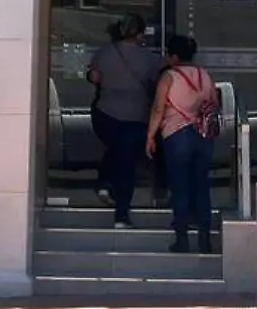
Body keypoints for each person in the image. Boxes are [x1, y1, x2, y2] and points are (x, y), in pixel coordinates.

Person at [84, 13, 159, 228]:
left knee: (116, 149)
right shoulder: (149, 59)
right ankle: (121, 216)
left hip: (104, 113)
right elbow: (159, 83)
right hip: (135, 117)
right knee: (126, 165)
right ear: (140, 34)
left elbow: (93, 77)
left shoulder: (104, 53)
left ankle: (104, 183)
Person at [145, 33, 218, 254]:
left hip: (176, 135)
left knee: (180, 186)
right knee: (201, 185)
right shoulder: (204, 75)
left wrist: (150, 135)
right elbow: (214, 103)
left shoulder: (169, 76)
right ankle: (205, 238)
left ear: (174, 56)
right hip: (203, 135)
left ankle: (182, 238)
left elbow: (158, 107)